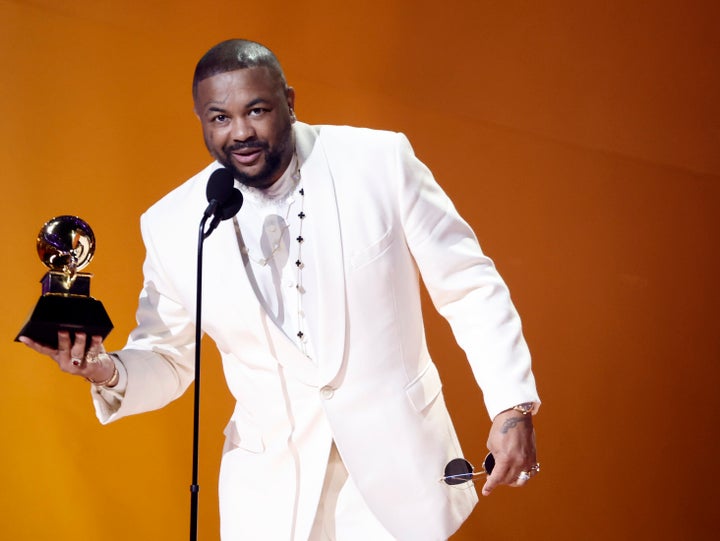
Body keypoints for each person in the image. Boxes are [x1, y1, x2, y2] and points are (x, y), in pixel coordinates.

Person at [20, 39, 540, 540]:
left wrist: (511, 406)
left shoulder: (379, 161)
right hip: (269, 499)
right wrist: (106, 369)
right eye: (220, 118)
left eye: (257, 110)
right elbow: (168, 359)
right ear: (202, 120)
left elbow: (469, 285)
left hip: (400, 477)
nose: (240, 132)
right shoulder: (174, 224)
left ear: (289, 102)